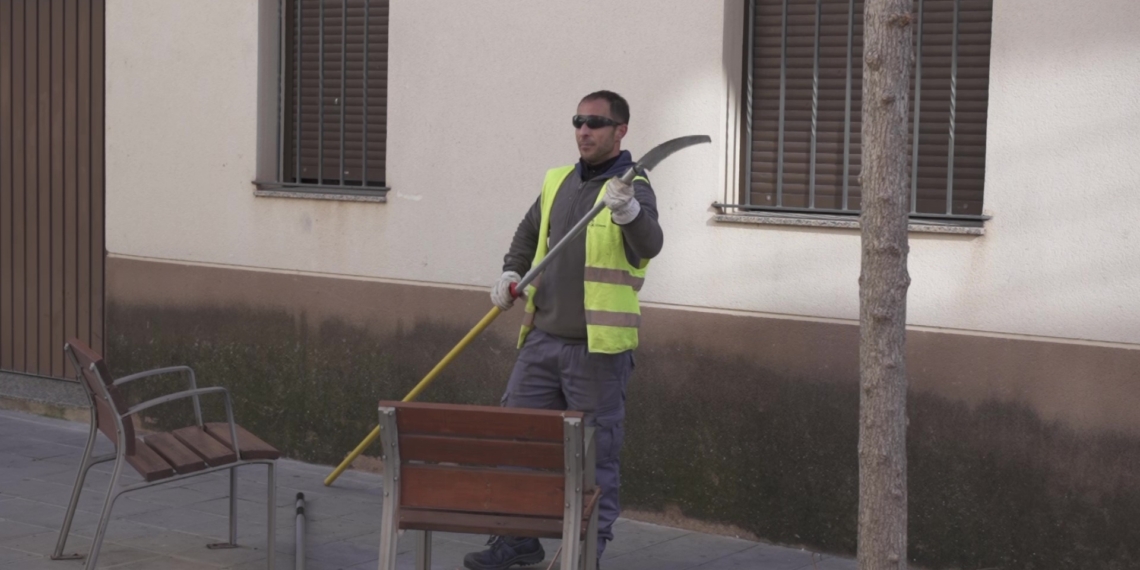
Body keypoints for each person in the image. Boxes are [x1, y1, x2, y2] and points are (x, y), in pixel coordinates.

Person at [463, 90, 664, 570]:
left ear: (621, 131)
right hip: (541, 341)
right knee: (518, 442)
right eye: (578, 121)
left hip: (597, 351)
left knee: (595, 459)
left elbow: (651, 244)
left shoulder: (633, 184)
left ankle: (584, 552)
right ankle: (518, 540)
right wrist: (512, 272)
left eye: (596, 122)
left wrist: (628, 212)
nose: (584, 130)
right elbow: (529, 232)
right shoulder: (558, 181)